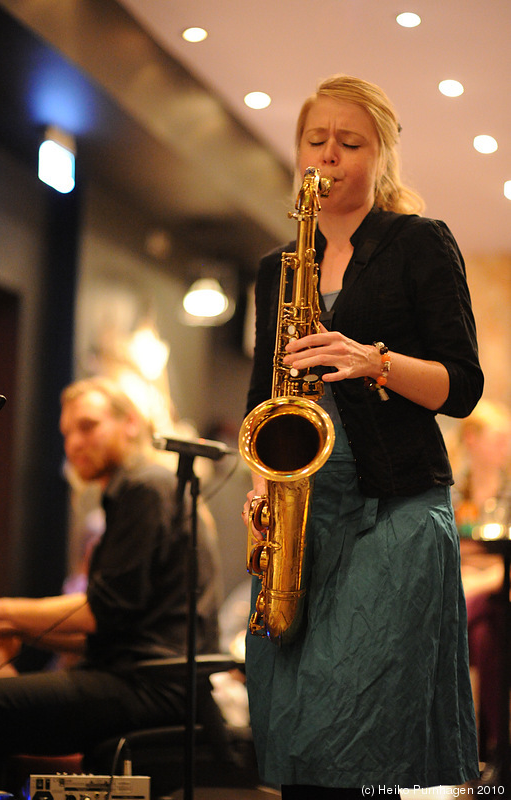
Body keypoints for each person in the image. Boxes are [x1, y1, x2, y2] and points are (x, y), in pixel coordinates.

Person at [241, 74, 484, 799]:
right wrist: (261, 488)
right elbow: (262, 401)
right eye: (316, 141)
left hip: (396, 508)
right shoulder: (277, 270)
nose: (330, 155)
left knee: (363, 734)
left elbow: (461, 386)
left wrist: (370, 360)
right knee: (297, 729)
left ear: (383, 156)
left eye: (350, 142)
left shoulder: (419, 244)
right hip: (305, 511)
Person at [0, 376, 220, 793]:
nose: (73, 443)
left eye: (87, 426)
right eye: (67, 433)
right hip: (142, 676)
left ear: (130, 422)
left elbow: (100, 611)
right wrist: (14, 628)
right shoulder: (142, 488)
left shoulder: (146, 486)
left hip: (154, 687)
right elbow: (115, 624)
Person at [448, 400, 511, 766]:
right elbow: (449, 551)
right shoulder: (453, 490)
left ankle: (476, 752)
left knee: (475, 611)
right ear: (472, 440)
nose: (506, 447)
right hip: (475, 593)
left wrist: (481, 576)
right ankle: (496, 752)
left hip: (494, 586)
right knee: (487, 636)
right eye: (499, 438)